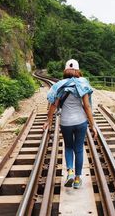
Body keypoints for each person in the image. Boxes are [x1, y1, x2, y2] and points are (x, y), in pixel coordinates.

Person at [43, 59, 97, 189]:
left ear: (65, 70)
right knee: (78, 149)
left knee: (68, 147)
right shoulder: (83, 84)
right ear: (78, 70)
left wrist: (48, 121)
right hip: (81, 122)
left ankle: (70, 172)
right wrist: (93, 124)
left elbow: (53, 105)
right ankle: (78, 179)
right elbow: (87, 106)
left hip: (66, 122)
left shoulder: (59, 85)